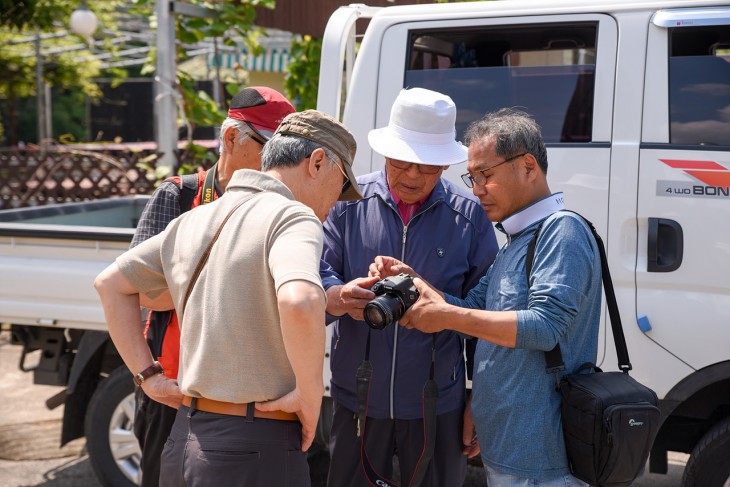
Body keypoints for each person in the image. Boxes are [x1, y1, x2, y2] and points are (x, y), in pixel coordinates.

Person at [95, 110, 362, 487]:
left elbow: (110, 284)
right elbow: (300, 301)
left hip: (183, 439)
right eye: (340, 185)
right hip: (255, 445)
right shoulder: (293, 217)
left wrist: (149, 378)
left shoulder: (194, 219)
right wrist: (309, 395)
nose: (336, 202)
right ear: (317, 163)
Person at [373, 108, 602, 486]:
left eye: (486, 175)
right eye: (472, 177)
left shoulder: (562, 231)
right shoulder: (517, 242)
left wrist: (444, 315)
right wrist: (417, 284)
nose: (476, 189)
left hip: (543, 462)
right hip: (511, 456)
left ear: (528, 167)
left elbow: (545, 327)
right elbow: (469, 310)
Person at [320, 87, 498, 487]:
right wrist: (341, 295)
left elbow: (485, 312)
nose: (415, 175)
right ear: (385, 151)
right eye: (403, 162)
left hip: (440, 404)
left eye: (430, 165)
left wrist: (479, 399)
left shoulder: (469, 215)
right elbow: (317, 275)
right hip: (357, 399)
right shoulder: (347, 204)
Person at [130, 86, 295, 487]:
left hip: (246, 390)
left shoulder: (280, 207)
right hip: (175, 385)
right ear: (230, 138)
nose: (274, 161)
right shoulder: (181, 194)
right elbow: (141, 291)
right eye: (266, 146)